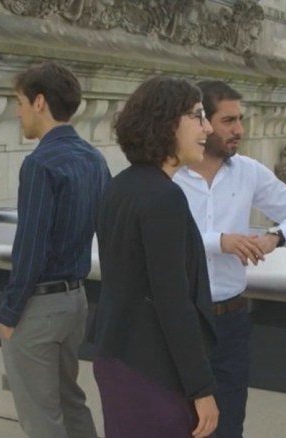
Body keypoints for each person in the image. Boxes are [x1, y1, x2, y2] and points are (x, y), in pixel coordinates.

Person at [173, 80, 286, 438]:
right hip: (178, 319)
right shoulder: (169, 173)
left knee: (228, 425)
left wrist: (274, 237)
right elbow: (158, 238)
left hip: (230, 323)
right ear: (202, 123)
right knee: (175, 423)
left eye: (240, 119)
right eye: (228, 121)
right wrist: (219, 242)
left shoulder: (248, 171)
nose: (239, 129)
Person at [92, 76, 218, 438]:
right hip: (153, 371)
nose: (207, 128)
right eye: (197, 115)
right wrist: (201, 387)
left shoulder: (120, 186)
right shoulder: (164, 197)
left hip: (117, 357)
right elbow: (172, 299)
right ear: (166, 122)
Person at [0, 61, 109, 438]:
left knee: (41, 418)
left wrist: (10, 312)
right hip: (76, 302)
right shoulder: (95, 159)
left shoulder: (39, 163)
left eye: (20, 102)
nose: (18, 112)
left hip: (38, 306)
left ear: (39, 102)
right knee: (70, 401)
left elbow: (31, 248)